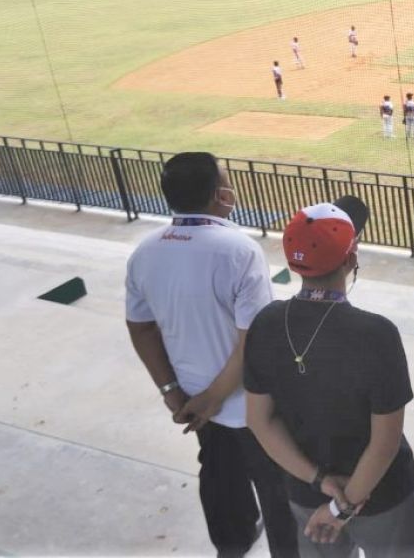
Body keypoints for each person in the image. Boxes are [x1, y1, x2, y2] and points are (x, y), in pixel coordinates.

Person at [125, 152, 298, 558]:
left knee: (220, 475)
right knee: (276, 490)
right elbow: (252, 339)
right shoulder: (238, 250)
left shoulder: (145, 252)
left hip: (193, 401)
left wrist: (172, 390)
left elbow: (140, 327)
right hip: (249, 406)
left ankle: (232, 546)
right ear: (221, 195)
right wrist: (215, 398)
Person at [245, 197, 414, 558]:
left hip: (306, 494)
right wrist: (341, 508)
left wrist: (319, 481)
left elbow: (258, 419)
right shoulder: (376, 334)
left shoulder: (267, 323)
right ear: (350, 259)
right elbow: (385, 443)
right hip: (383, 498)